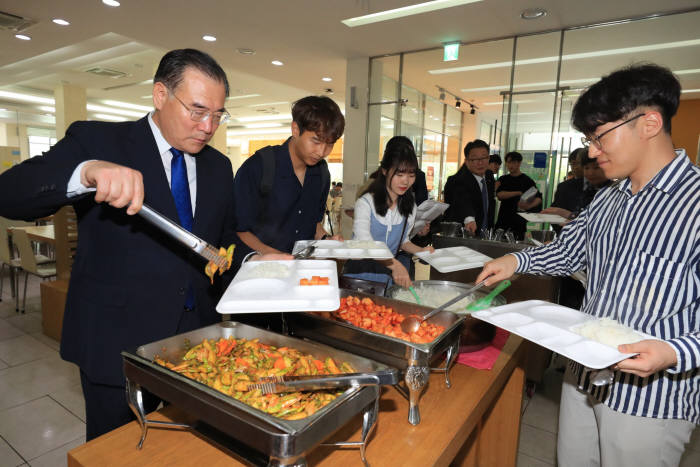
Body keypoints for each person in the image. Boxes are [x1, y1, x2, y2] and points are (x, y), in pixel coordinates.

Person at [0, 49, 283, 440]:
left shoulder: (218, 166)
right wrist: (86, 173)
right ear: (160, 95)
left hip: (196, 342)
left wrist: (262, 259)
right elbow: (9, 193)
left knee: (183, 447)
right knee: (117, 450)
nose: (208, 126)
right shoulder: (99, 141)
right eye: (197, 110)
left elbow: (222, 238)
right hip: (118, 340)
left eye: (218, 115)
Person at [477, 63, 699, 467]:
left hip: (650, 399)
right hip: (584, 377)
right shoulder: (608, 198)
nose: (592, 152)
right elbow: (567, 252)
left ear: (649, 123)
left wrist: (674, 350)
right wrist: (515, 259)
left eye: (599, 137)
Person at [233, 96, 344, 267]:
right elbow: (239, 230)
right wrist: (277, 257)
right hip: (259, 272)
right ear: (295, 129)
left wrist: (326, 239)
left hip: (301, 271)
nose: (322, 151)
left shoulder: (321, 174)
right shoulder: (259, 167)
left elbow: (313, 224)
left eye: (330, 144)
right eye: (316, 141)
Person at [342, 140, 433, 288]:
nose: (405, 181)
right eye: (399, 174)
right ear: (384, 171)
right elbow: (366, 243)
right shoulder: (366, 203)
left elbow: (402, 241)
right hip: (358, 276)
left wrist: (421, 250)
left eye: (411, 175)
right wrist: (395, 265)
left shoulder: (410, 206)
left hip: (385, 276)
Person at [443, 139, 495, 236]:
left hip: (485, 235)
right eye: (474, 159)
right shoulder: (456, 180)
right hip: (461, 235)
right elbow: (462, 199)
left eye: (484, 157)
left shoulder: (489, 176)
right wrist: (469, 219)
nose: (480, 163)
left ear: (488, 158)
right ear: (466, 161)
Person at [494, 151, 542, 240]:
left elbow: (538, 198)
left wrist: (529, 206)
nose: (510, 165)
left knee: (516, 248)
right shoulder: (503, 179)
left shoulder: (527, 181)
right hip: (503, 220)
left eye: (513, 162)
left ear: (519, 163)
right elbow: (500, 195)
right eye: (508, 162)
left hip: (519, 222)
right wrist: (518, 193)